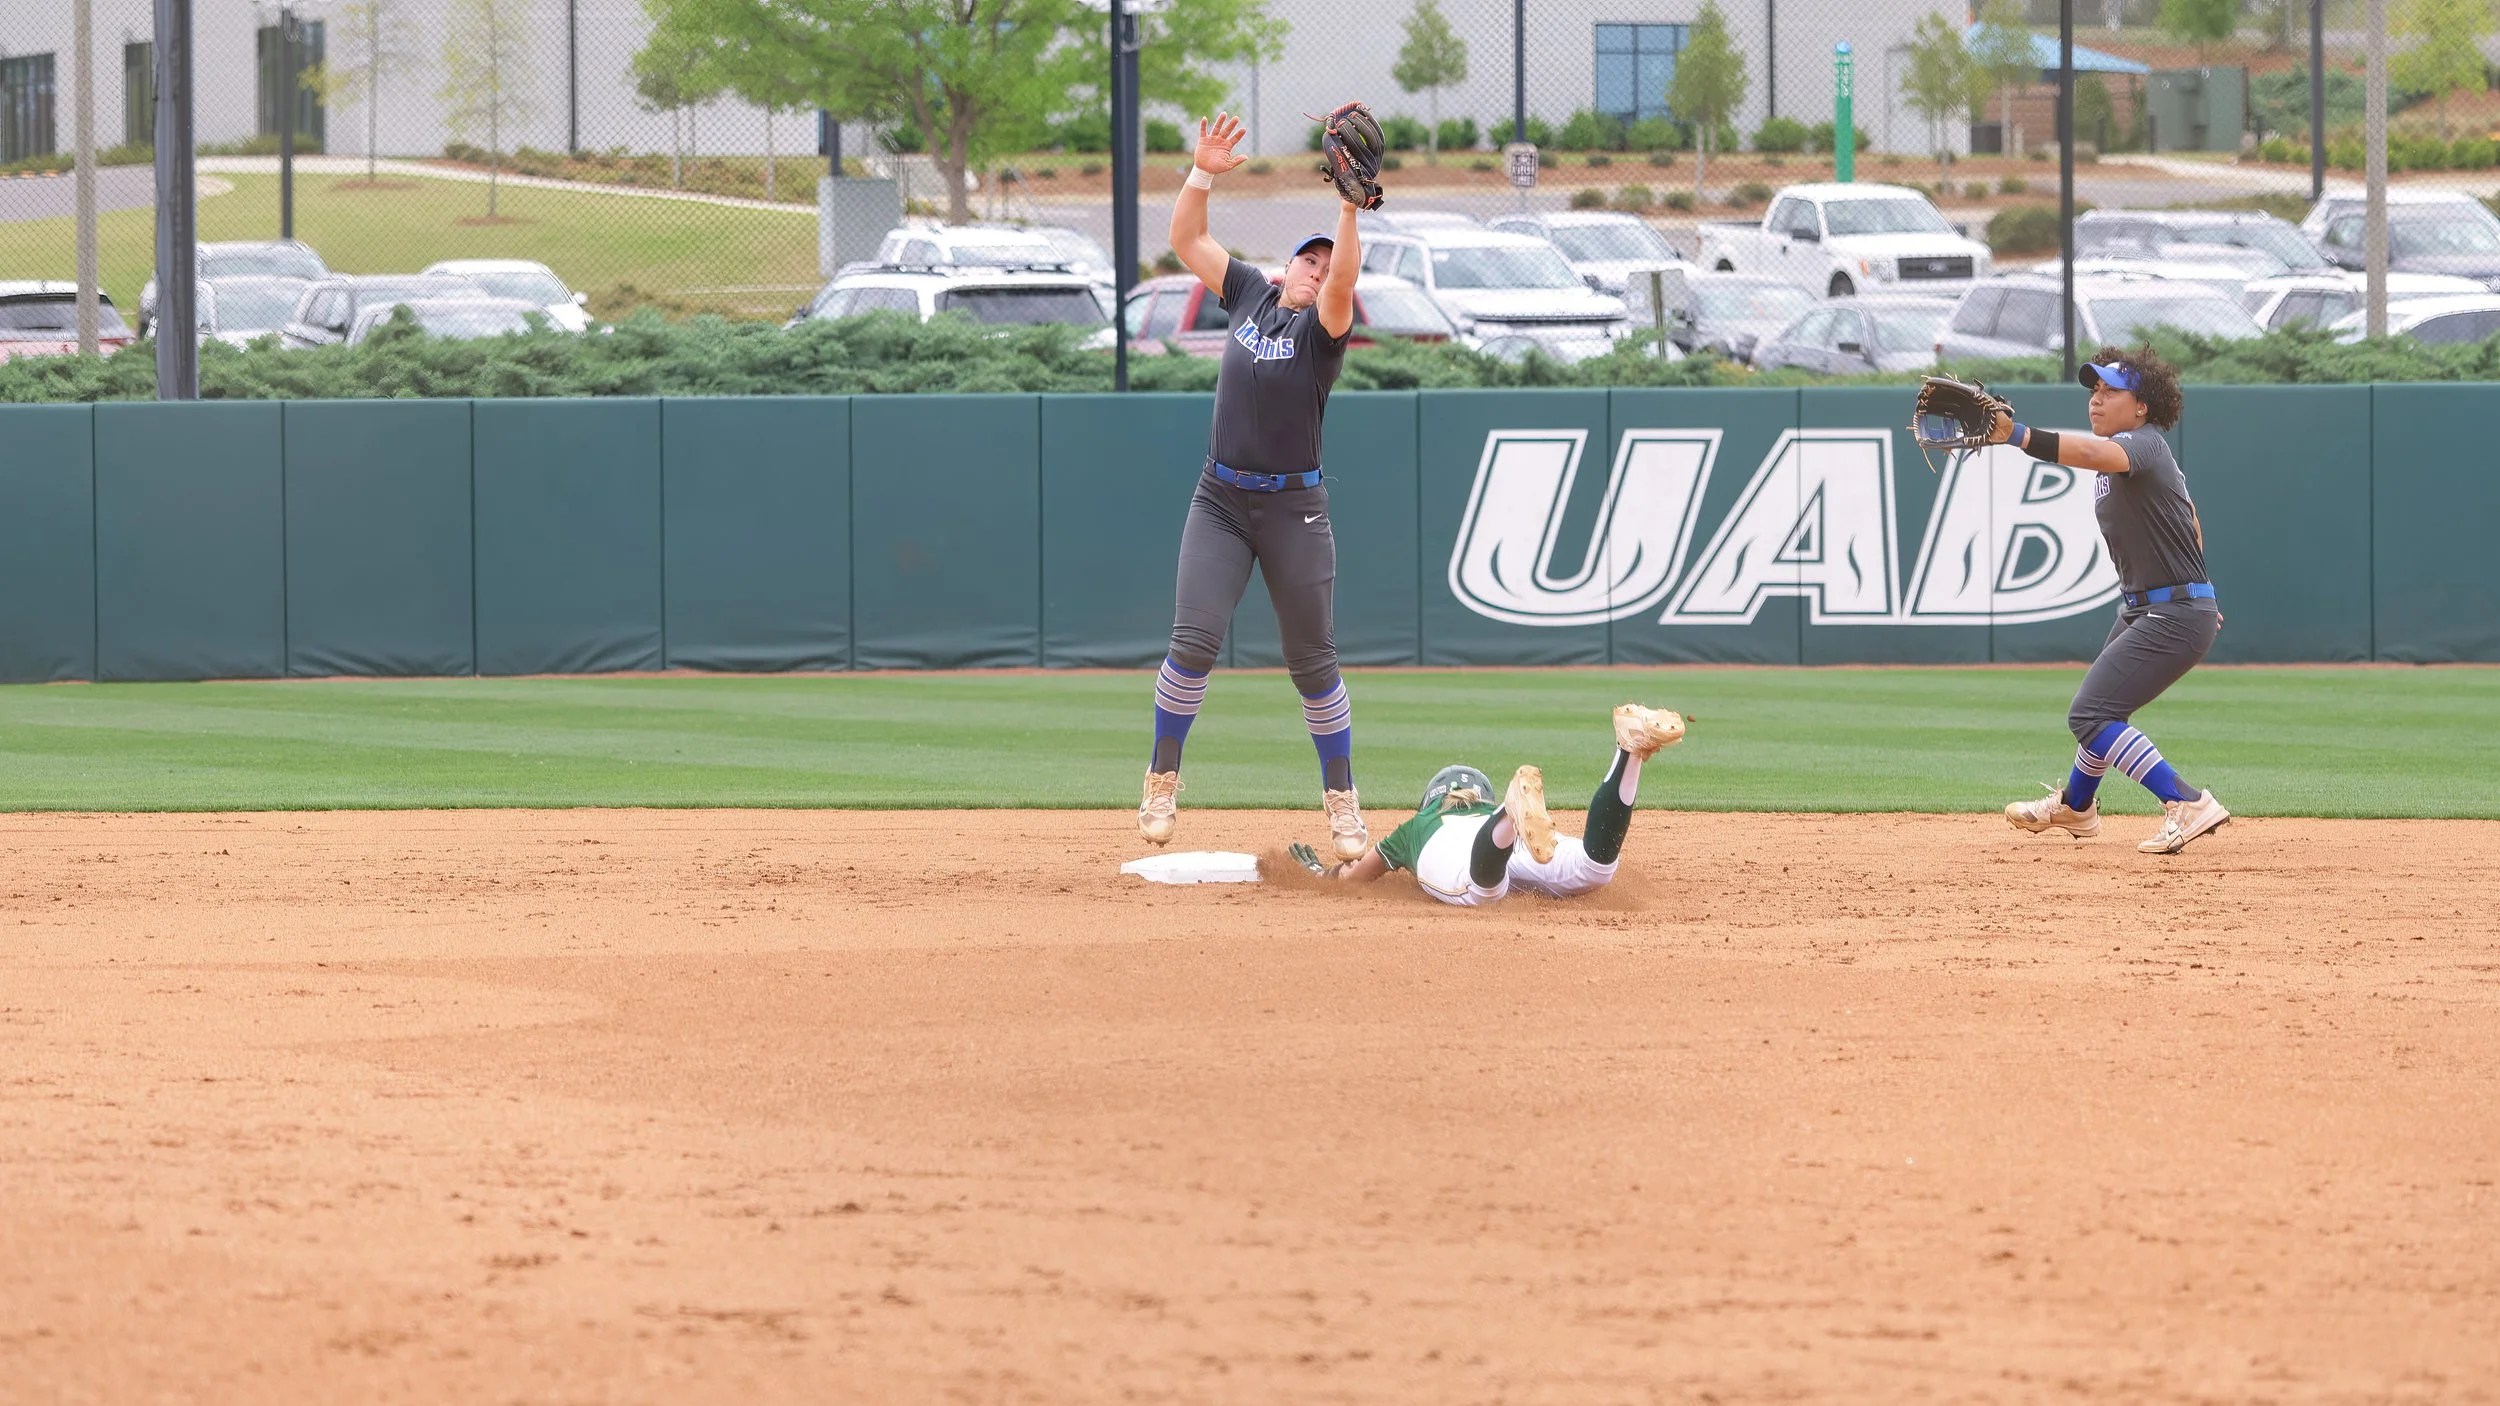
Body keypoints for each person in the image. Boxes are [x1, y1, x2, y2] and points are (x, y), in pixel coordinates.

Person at [1138, 111, 1371, 860]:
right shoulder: (1248, 296)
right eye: (1309, 260)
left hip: (1293, 508)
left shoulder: (1321, 333)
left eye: (1326, 262)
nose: (1318, 268)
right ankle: (1162, 777)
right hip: (1221, 502)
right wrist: (1202, 172)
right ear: (1287, 267)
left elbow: (1345, 285)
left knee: (1313, 660)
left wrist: (1347, 205)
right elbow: (1186, 242)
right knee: (1194, 641)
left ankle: (1341, 799)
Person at [1997, 345, 2230, 855]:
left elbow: (2092, 453)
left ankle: (2185, 802)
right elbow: (2192, 525)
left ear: (2142, 406)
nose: (2096, 400)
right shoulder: (2134, 459)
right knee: (2105, 710)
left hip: (2172, 613)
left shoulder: (2142, 443)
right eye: (2093, 391)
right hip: (2151, 607)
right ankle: (2077, 807)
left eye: (2110, 391)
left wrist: (2017, 435)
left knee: (2090, 715)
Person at [1290, 704, 1686, 905]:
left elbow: (1354, 879)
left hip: (1457, 845)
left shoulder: (1417, 825)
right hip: (1501, 839)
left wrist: (1318, 874)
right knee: (1593, 869)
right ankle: (1628, 753)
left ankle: (1508, 818)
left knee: (1483, 894)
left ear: (1430, 799)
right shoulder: (1466, 810)